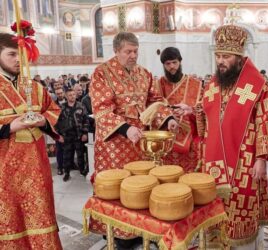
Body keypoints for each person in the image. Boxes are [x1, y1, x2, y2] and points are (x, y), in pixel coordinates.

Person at [200, 25, 268, 249]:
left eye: (226, 56)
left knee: (243, 203)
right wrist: (192, 112)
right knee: (217, 205)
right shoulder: (213, 83)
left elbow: (266, 121)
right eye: (218, 55)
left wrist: (261, 158)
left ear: (239, 58)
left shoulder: (257, 85)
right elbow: (207, 116)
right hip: (214, 159)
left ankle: (244, 244)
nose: (220, 61)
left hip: (245, 159)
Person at [90, 32, 178, 247]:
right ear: (116, 51)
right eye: (128, 51)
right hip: (116, 144)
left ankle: (142, 226)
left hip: (140, 142)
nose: (133, 55)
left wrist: (167, 119)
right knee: (119, 188)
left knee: (141, 185)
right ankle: (120, 232)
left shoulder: (144, 73)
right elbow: (101, 109)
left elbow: (154, 101)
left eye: (135, 51)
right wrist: (126, 128)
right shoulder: (102, 73)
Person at [0, 32, 62, 249]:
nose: (18, 60)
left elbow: (54, 111)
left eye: (21, 55)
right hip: (6, 173)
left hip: (37, 169)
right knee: (11, 221)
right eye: (11, 55)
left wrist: (43, 121)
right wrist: (9, 127)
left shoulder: (34, 88)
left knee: (41, 218)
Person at [157, 47, 203, 172]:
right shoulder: (158, 85)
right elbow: (153, 109)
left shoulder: (195, 84)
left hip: (190, 137)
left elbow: (202, 110)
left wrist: (191, 110)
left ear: (180, 61)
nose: (172, 66)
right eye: (168, 64)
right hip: (167, 137)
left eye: (174, 62)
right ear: (163, 65)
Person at [55, 88, 89, 181]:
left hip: (79, 135)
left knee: (80, 154)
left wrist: (85, 133)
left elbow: (86, 120)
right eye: (70, 95)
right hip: (67, 136)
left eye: (73, 94)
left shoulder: (81, 106)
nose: (72, 96)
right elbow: (56, 122)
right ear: (66, 96)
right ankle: (67, 173)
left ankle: (82, 170)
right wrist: (59, 135)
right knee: (67, 156)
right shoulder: (61, 107)